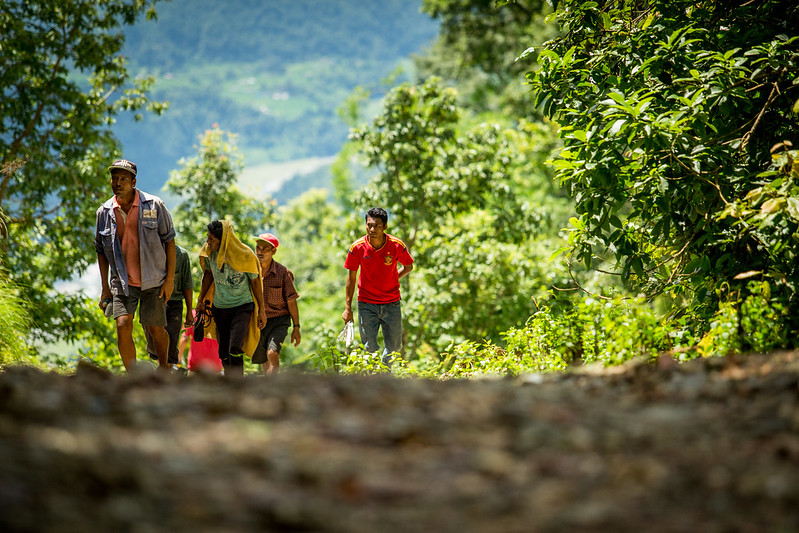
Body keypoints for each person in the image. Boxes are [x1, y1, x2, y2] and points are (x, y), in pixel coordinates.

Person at [95, 158, 176, 372]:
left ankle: (164, 370)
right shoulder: (104, 212)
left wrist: (169, 280)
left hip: (154, 280)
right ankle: (133, 377)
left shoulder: (154, 205)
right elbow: (101, 251)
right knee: (122, 325)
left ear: (133, 182)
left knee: (155, 328)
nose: (118, 183)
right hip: (122, 282)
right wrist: (105, 287)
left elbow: (170, 241)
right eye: (114, 178)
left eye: (123, 179)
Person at [342, 207, 413, 366]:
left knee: (394, 347)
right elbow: (351, 278)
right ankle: (373, 375)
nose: (372, 229)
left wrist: (393, 277)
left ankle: (384, 373)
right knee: (369, 347)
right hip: (366, 303)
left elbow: (408, 267)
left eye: (377, 226)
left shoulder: (396, 245)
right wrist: (347, 308)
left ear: (385, 226)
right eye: (369, 225)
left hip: (392, 303)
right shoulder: (357, 247)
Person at [195, 220, 266, 377]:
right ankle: (229, 379)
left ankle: (237, 380)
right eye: (207, 237)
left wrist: (261, 310)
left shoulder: (245, 255)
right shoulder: (209, 252)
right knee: (223, 351)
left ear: (223, 240)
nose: (208, 242)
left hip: (242, 306)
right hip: (220, 307)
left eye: (212, 239)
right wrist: (200, 300)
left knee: (235, 346)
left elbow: (255, 283)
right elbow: (208, 275)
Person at [251, 232, 301, 375]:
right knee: (263, 359)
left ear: (273, 251)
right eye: (258, 248)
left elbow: (291, 301)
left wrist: (296, 327)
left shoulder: (283, 273)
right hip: (258, 321)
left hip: (279, 320)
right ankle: (269, 384)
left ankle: (273, 382)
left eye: (265, 249)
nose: (260, 252)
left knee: (272, 352)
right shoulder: (250, 271)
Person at [144, 244, 193, 372]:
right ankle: (164, 368)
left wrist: (189, 311)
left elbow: (187, 284)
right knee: (153, 344)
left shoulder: (181, 255)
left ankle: (166, 371)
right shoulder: (148, 251)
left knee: (171, 340)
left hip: (174, 303)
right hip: (152, 301)